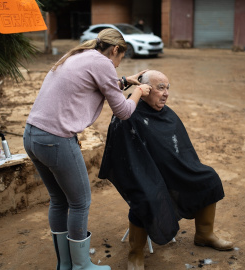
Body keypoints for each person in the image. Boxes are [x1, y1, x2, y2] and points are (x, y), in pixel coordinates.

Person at [23, 28, 152, 270]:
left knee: (59, 201)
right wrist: (138, 92)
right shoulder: (103, 63)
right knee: (80, 203)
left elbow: (94, 84)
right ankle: (81, 266)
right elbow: (123, 112)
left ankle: (65, 264)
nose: (116, 66)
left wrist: (125, 81)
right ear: (115, 50)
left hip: (32, 136)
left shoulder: (80, 55)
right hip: (56, 140)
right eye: (119, 60)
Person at [98, 70, 234, 270]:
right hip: (141, 174)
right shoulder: (128, 114)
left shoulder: (167, 114)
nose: (166, 93)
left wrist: (183, 168)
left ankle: (204, 234)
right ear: (144, 90)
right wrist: (148, 176)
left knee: (209, 178)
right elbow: (123, 158)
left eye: (167, 88)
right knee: (146, 195)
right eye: (160, 88)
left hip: (172, 171)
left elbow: (183, 150)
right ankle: (135, 253)